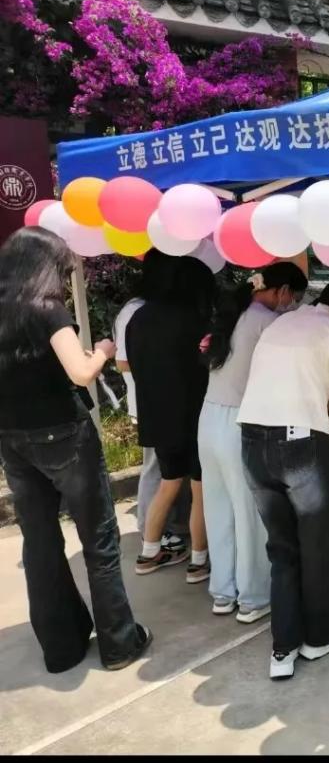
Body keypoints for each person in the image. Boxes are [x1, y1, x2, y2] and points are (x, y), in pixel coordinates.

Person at [0, 227, 151, 673]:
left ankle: (61, 648)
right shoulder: (47, 310)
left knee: (40, 541)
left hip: (11, 437)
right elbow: (81, 373)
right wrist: (102, 351)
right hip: (64, 433)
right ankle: (119, 643)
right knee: (98, 539)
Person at [237, 277, 329, 681]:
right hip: (300, 447)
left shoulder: (285, 322)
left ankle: (282, 649)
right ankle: (320, 637)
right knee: (317, 544)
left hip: (253, 439)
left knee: (282, 548)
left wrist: (325, 404)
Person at [199, 263, 308, 623]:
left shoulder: (232, 313)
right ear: (282, 291)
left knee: (219, 509)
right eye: (294, 297)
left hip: (209, 417)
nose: (292, 305)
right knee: (251, 512)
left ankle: (223, 592)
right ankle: (253, 597)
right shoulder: (268, 322)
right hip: (240, 421)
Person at [127, 254, 215, 581]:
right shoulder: (194, 320)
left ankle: (149, 552)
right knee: (199, 490)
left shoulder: (138, 317)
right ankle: (199, 561)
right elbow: (206, 368)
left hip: (157, 417)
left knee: (168, 484)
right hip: (194, 417)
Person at [113, 254, 187, 551]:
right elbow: (122, 361)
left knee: (169, 469)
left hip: (162, 401)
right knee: (156, 469)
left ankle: (166, 527)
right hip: (149, 403)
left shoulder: (151, 308)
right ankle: (149, 531)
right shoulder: (136, 311)